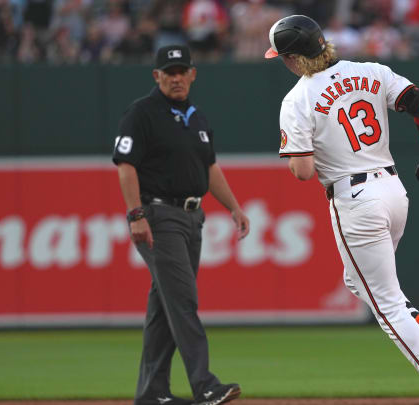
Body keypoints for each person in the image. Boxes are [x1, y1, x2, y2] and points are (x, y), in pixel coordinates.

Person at [265, 15, 419, 405]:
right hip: (394, 190)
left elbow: (303, 171)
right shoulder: (372, 70)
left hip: (355, 199)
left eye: (283, 56)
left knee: (386, 305)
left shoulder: (297, 98)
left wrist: (299, 153)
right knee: (358, 281)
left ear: (292, 58)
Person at [113, 44, 249, 405]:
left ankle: (152, 392)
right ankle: (204, 385)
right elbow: (125, 165)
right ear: (156, 76)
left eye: (181, 71)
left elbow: (210, 168)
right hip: (159, 216)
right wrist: (135, 214)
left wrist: (234, 207)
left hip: (192, 216)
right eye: (168, 72)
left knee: (165, 305)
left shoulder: (196, 117)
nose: (176, 78)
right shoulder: (141, 113)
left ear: (192, 74)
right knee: (183, 300)